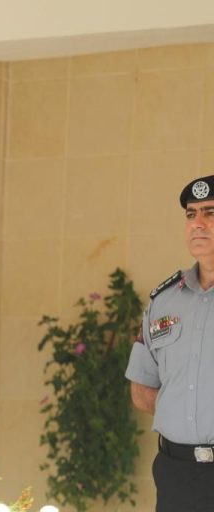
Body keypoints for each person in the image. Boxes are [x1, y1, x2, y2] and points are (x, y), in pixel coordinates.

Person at [126, 175, 214, 512]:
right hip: (177, 472)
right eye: (191, 214)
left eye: (210, 212)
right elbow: (142, 389)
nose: (198, 223)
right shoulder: (164, 301)